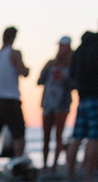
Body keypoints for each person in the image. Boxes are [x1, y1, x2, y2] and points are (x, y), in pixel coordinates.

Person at [66, 9, 98, 182]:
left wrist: (79, 86)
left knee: (77, 136)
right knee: (95, 138)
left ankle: (70, 174)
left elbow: (72, 71)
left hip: (83, 96)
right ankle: (88, 174)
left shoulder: (83, 45)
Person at [0, 26, 30, 176]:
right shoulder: (14, 53)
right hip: (10, 100)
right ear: (13, 38)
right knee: (18, 135)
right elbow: (24, 72)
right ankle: (18, 166)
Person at [37, 36, 75, 172]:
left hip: (62, 103)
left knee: (58, 135)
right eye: (60, 46)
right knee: (46, 136)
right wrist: (45, 70)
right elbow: (39, 81)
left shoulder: (72, 66)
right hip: (48, 102)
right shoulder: (51, 63)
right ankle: (45, 165)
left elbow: (74, 85)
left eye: (63, 46)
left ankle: (54, 165)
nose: (61, 49)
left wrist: (65, 79)